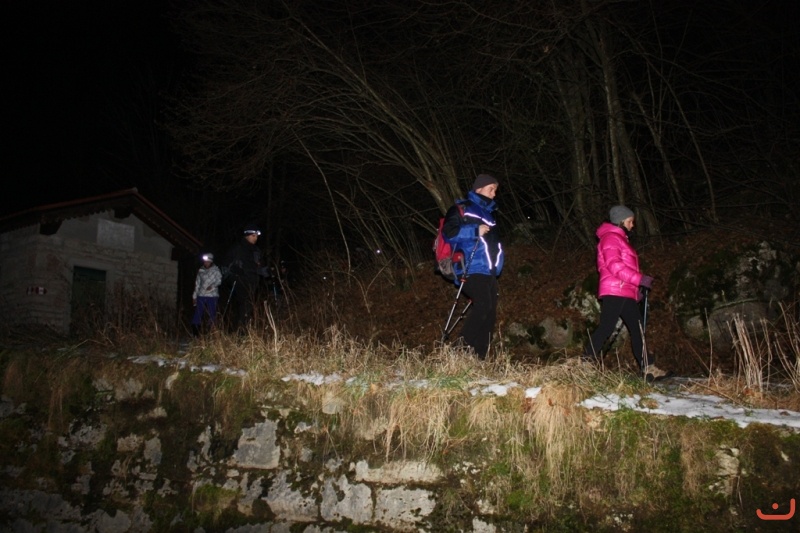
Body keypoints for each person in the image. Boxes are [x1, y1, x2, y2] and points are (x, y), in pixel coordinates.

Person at [582, 205, 667, 380]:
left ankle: (648, 367)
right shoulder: (611, 238)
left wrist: (635, 292)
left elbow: (623, 268)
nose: (632, 225)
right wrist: (639, 279)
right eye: (630, 221)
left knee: (637, 329)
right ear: (621, 221)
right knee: (607, 327)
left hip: (623, 290)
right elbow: (615, 266)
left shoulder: (619, 239)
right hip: (615, 291)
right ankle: (585, 363)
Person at [443, 174, 504, 359]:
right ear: (479, 188)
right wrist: (474, 231)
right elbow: (449, 233)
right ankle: (458, 351)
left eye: (495, 190)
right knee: (483, 306)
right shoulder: (461, 209)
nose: (494, 194)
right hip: (469, 268)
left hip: (489, 272)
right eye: (491, 189)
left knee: (490, 315)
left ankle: (479, 359)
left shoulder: (490, 215)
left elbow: (493, 246)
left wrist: (498, 264)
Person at [224, 223, 267, 331]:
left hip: (253, 282)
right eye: (253, 236)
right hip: (239, 281)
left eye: (256, 236)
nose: (256, 238)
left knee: (249, 306)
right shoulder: (237, 248)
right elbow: (225, 265)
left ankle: (244, 329)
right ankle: (237, 329)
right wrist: (233, 269)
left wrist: (267, 272)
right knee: (242, 305)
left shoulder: (256, 251)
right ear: (247, 235)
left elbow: (259, 266)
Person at [191, 253, 222, 335]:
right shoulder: (201, 270)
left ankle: (210, 331)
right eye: (205, 261)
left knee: (211, 313)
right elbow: (197, 284)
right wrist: (194, 296)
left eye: (208, 261)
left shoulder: (216, 270)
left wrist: (212, 286)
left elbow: (219, 281)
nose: (206, 263)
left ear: (211, 262)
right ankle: (195, 332)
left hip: (212, 295)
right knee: (198, 312)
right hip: (201, 295)